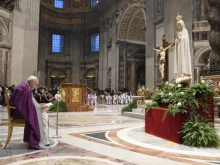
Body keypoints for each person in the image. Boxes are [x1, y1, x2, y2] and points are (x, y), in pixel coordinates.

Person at [10, 76, 50, 150]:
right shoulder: (24, 89)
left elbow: (28, 103)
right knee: (43, 115)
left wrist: (38, 106)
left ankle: (43, 139)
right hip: (18, 113)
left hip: (18, 110)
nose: (36, 87)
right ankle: (39, 140)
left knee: (41, 113)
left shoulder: (25, 86)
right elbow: (22, 105)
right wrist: (38, 107)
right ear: (31, 83)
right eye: (36, 84)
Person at [174, 13, 192, 79]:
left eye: (179, 25)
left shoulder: (185, 31)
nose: (178, 27)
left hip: (184, 51)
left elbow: (186, 39)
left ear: (182, 25)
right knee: (180, 61)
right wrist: (177, 38)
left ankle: (184, 73)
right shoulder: (179, 32)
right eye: (177, 25)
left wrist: (180, 37)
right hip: (179, 50)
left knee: (184, 60)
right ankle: (180, 73)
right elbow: (176, 42)